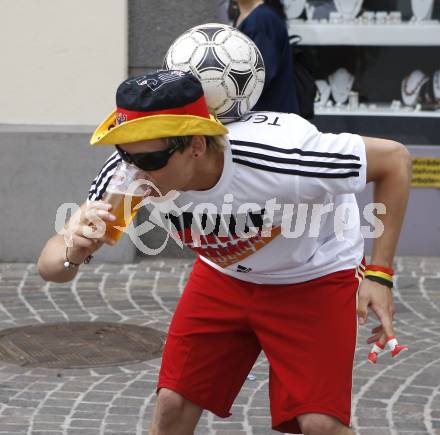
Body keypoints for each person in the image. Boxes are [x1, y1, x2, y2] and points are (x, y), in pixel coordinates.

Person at [38, 70, 412, 435]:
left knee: (320, 423)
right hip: (225, 275)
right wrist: (73, 245)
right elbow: (51, 268)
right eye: (125, 155)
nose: (137, 173)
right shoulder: (128, 177)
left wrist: (379, 275)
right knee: (173, 404)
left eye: (150, 161)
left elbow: (394, 160)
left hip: (313, 274)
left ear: (196, 146)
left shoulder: (281, 158)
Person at [234, 0, 300, 113]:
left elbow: (261, 74)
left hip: (269, 118)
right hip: (260, 115)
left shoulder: (262, 18)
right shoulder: (248, 15)